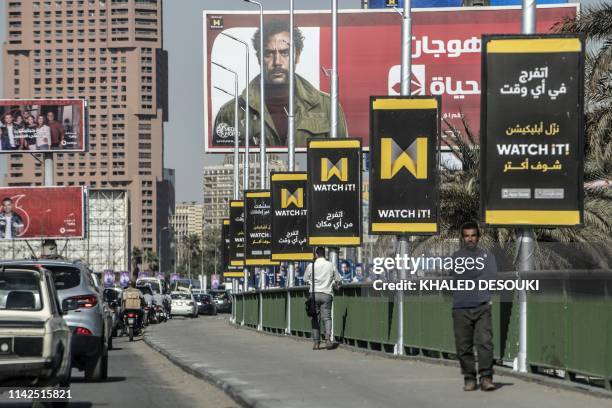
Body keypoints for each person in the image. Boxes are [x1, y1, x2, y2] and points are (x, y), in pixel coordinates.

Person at [213, 20, 348, 148]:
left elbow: (344, 161)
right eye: (269, 54)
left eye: (285, 52)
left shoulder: (328, 107)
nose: (277, 61)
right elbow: (225, 165)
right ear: (259, 58)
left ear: (297, 55)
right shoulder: (230, 113)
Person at [451, 221, 498, 392]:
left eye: (473, 235)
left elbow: (491, 277)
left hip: (482, 306)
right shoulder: (456, 257)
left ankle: (486, 378)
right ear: (463, 238)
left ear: (478, 237)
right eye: (467, 236)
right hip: (461, 307)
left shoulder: (487, 257)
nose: (470, 239)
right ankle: (469, 378)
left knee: (485, 343)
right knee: (463, 346)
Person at [304, 247, 342, 350]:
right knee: (327, 317)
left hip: (314, 294)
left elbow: (305, 279)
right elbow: (338, 279)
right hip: (326, 294)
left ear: (316, 255)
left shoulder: (311, 266)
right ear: (324, 254)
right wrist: (333, 283)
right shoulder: (330, 265)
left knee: (315, 318)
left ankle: (316, 343)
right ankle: (328, 339)